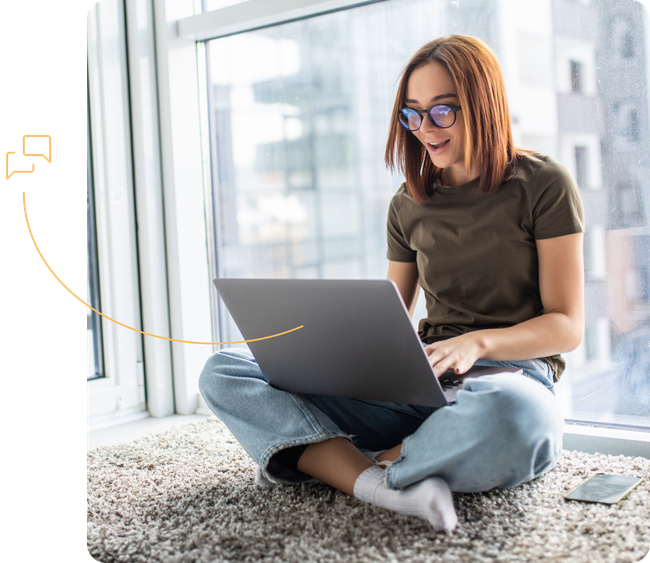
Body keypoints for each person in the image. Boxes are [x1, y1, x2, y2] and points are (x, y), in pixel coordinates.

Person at [199, 34, 585, 532]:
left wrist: (478, 343)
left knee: (519, 422)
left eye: (442, 111)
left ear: (483, 103)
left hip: (508, 381)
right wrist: (331, 353)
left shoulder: (544, 184)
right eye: (412, 113)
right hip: (421, 386)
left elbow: (567, 324)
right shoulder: (408, 202)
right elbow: (393, 317)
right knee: (224, 372)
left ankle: (343, 460)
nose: (425, 128)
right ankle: (383, 481)